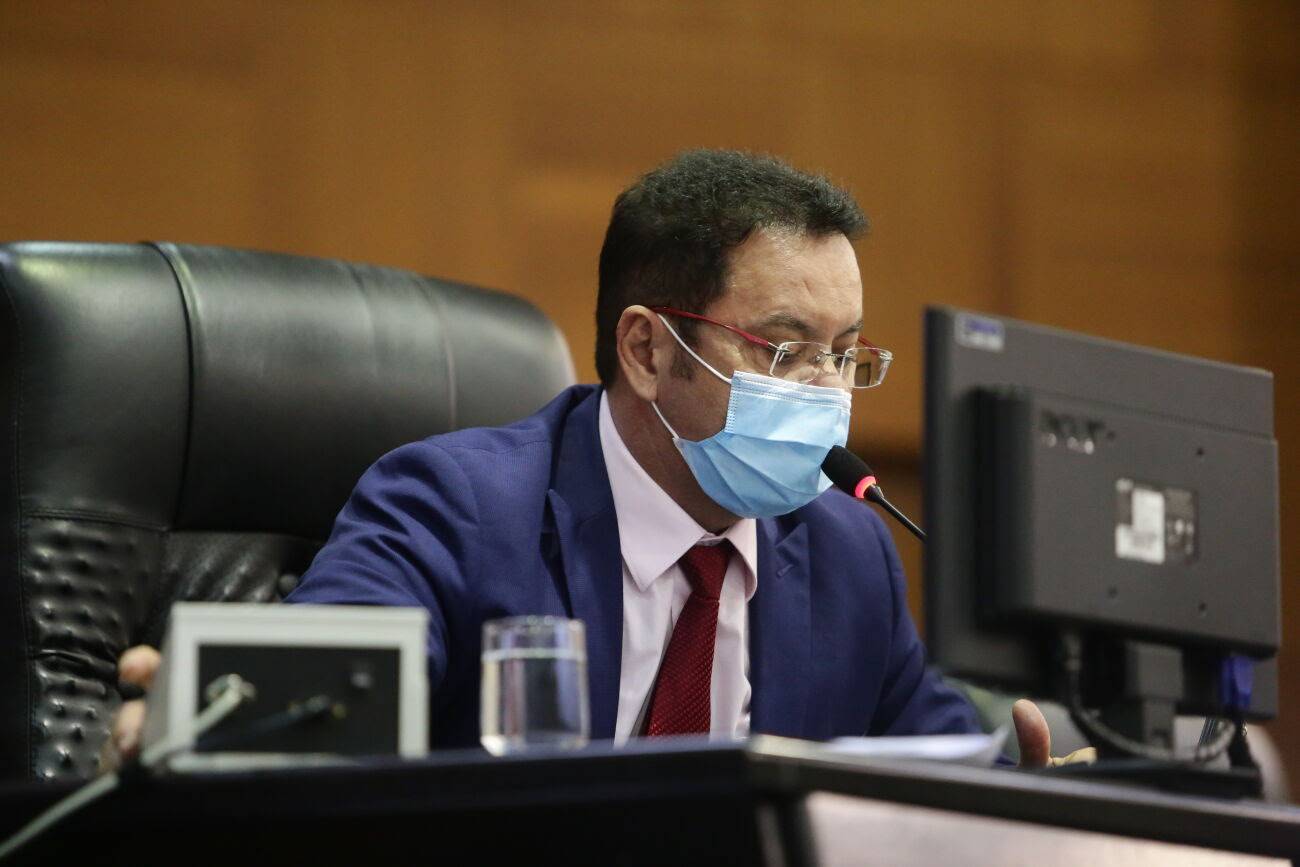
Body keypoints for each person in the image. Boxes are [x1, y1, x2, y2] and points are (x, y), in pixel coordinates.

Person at [106, 150, 1091, 768]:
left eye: (843, 354)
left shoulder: (846, 553)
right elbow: (330, 685)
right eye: (783, 348)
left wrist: (1020, 790)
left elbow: (933, 768)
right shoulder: (457, 506)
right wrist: (210, 721)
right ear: (648, 350)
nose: (826, 391)